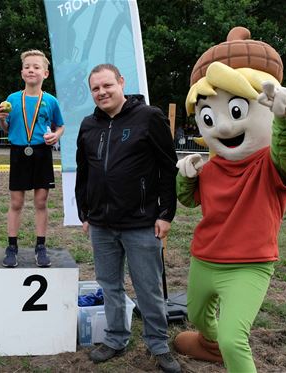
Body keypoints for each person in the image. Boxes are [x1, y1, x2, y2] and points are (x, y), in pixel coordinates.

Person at [173, 27, 286, 373]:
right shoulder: (212, 167)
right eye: (208, 117)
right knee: (197, 315)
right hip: (206, 257)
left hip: (249, 264)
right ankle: (209, 345)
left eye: (235, 110)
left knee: (234, 337)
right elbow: (189, 201)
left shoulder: (269, 165)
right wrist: (185, 178)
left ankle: (222, 346)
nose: (223, 127)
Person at [75, 64, 181, 373]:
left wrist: (166, 213)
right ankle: (116, 338)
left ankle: (158, 344)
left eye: (107, 85)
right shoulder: (88, 125)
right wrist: (85, 211)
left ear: (121, 83)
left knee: (148, 288)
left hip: (141, 222)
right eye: (95, 89)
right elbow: (84, 171)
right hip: (101, 225)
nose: (102, 92)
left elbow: (167, 167)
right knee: (110, 286)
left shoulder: (149, 117)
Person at [0, 49, 64, 268]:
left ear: (45, 73)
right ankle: (12, 246)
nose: (31, 70)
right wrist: (1, 119)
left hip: (42, 153)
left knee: (41, 202)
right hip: (18, 152)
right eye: (27, 67)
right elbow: (6, 128)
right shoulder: (12, 99)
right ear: (22, 72)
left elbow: (60, 126)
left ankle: (40, 246)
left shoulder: (51, 101)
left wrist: (56, 135)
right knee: (16, 202)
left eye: (36, 67)